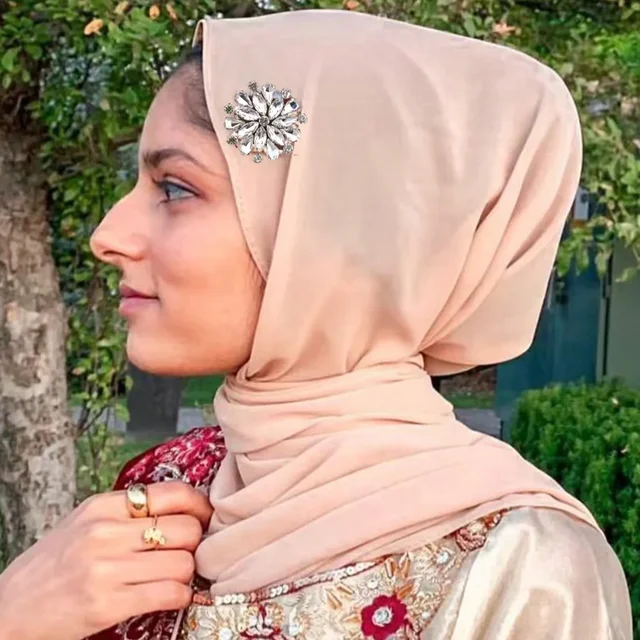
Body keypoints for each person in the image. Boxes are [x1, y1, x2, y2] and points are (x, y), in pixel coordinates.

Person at [0, 9, 632, 640]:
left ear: (324, 234)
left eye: (174, 189)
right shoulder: (165, 489)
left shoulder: (523, 569)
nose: (107, 235)